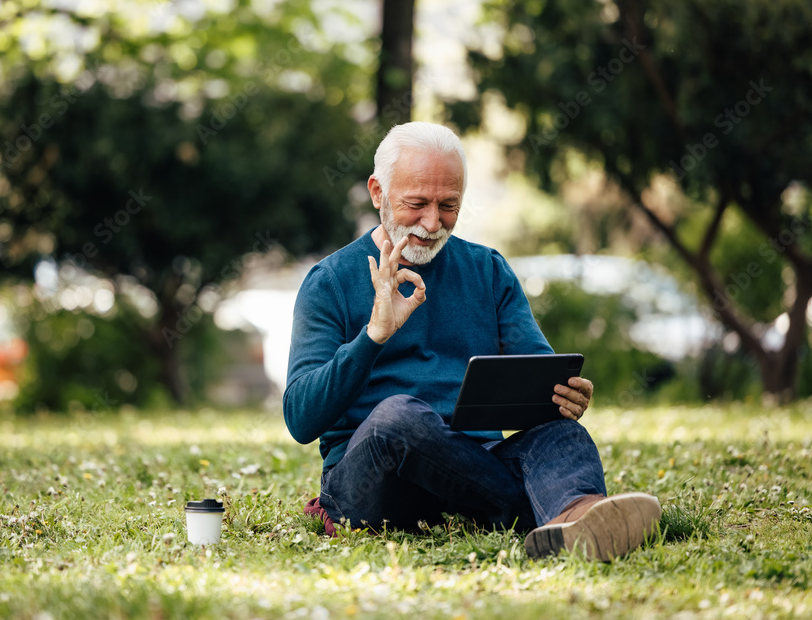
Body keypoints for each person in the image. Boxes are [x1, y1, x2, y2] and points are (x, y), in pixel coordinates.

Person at [283, 121, 660, 561]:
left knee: (561, 433)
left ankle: (579, 521)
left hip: (475, 466)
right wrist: (374, 336)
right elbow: (301, 418)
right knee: (398, 418)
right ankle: (534, 509)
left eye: (448, 205)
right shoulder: (329, 282)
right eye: (417, 203)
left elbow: (535, 374)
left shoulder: (488, 271)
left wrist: (563, 395)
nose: (432, 222)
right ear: (377, 193)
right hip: (374, 483)